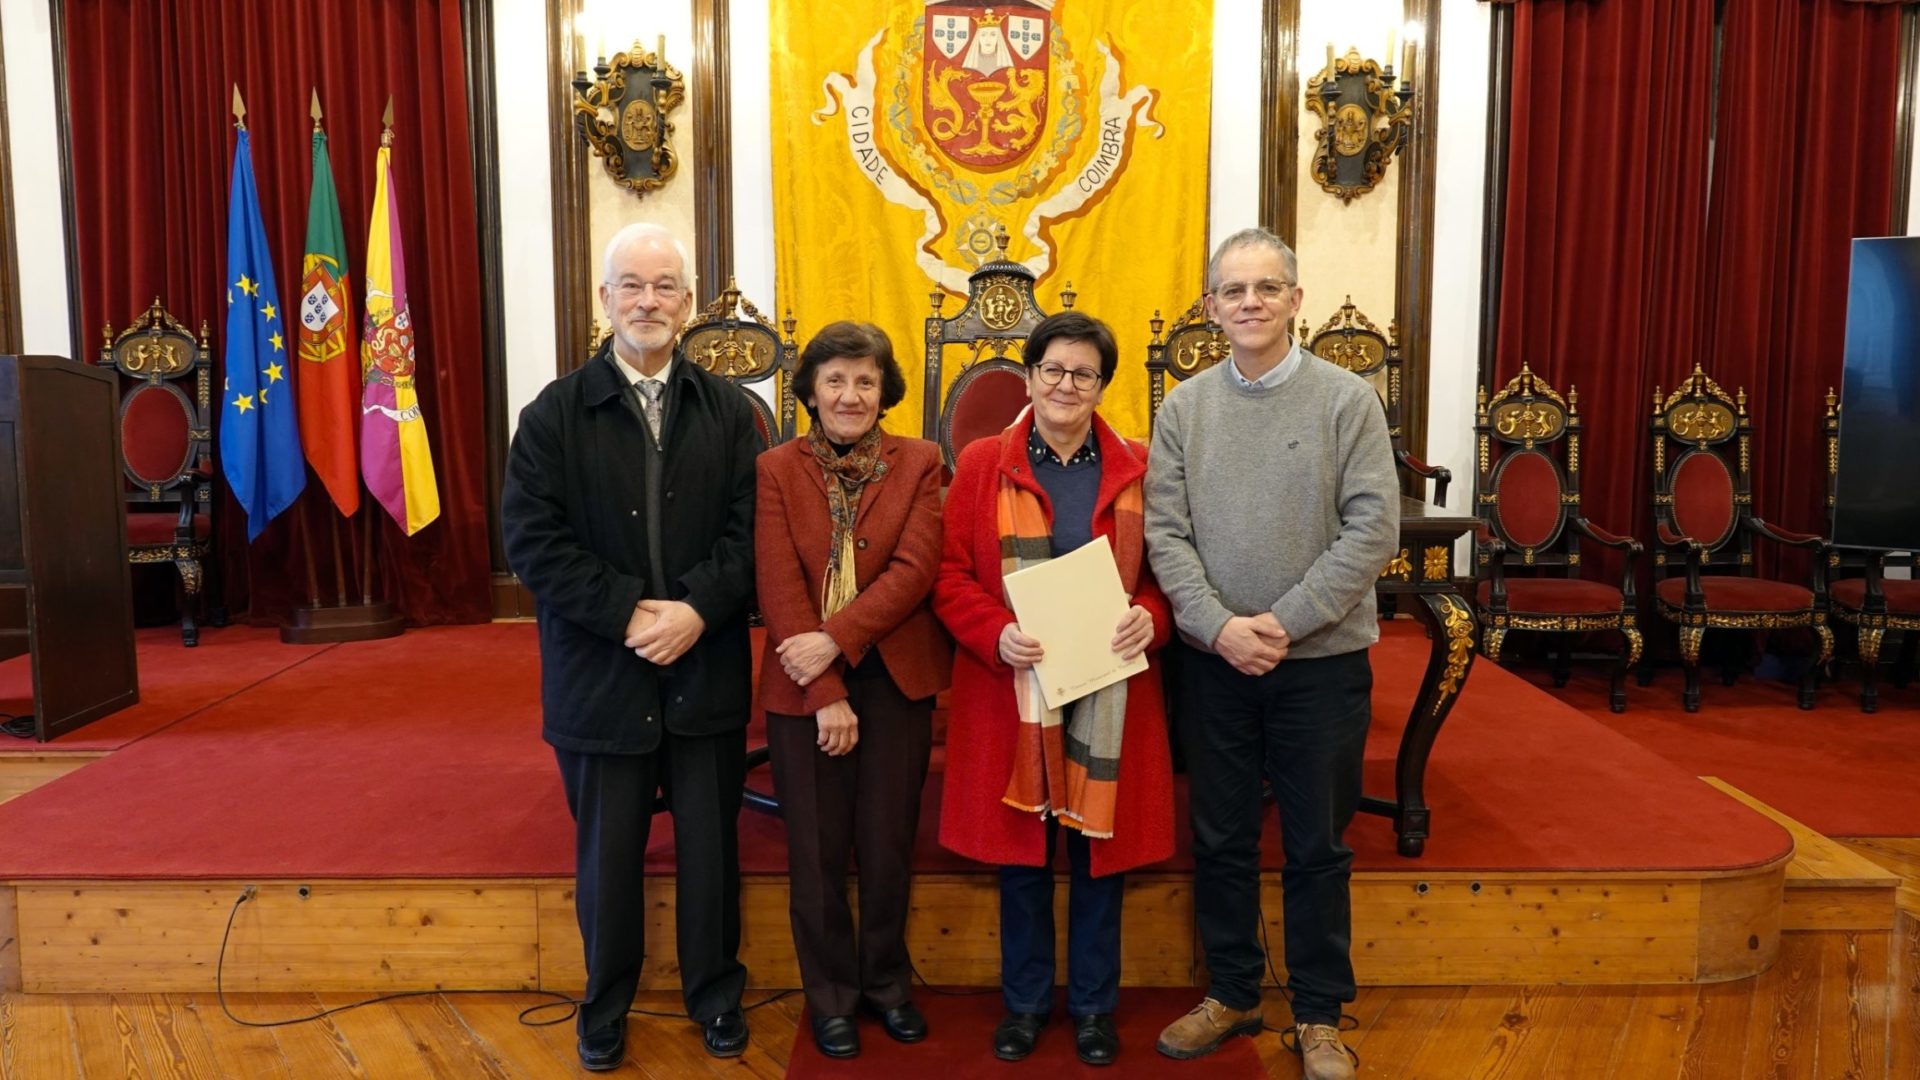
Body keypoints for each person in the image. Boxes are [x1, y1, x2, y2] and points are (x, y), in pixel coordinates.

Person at [501, 222, 761, 1071]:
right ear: (604, 299)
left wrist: (694, 611)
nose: (648, 301)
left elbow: (749, 535)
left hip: (706, 664)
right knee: (608, 859)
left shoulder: (730, 413)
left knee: (712, 853)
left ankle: (715, 994)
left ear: (687, 302)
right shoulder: (554, 414)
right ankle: (603, 1005)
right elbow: (533, 543)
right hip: (599, 676)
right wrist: (627, 614)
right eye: (631, 286)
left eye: (664, 287)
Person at [1144, 227, 1397, 1080]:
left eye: (1266, 287)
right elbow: (1164, 535)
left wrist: (1281, 624)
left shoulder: (1346, 401)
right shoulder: (1184, 409)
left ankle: (1321, 1012)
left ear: (1295, 299)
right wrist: (1218, 628)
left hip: (1320, 666)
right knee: (1220, 837)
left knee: (1317, 840)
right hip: (1214, 662)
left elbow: (1373, 531)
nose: (1249, 302)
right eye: (1232, 290)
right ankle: (1235, 990)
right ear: (1211, 308)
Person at [936, 311, 1175, 1067]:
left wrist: (1151, 619)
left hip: (1112, 691)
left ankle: (1096, 1009)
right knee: (1024, 854)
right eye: (1053, 370)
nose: (1066, 386)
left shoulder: (1137, 465)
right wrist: (992, 632)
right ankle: (1028, 1004)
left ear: (1102, 385)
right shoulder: (981, 463)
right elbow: (947, 576)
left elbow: (1167, 582)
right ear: (1030, 376)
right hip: (1012, 688)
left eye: (1083, 374)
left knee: (1097, 852)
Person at [754, 321, 952, 1059]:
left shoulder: (922, 461)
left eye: (865, 381)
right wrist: (826, 686)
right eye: (835, 379)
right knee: (817, 849)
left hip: (897, 678)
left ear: (884, 391)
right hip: (803, 685)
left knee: (887, 844)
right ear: (809, 389)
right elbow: (778, 582)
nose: (850, 394)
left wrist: (838, 638)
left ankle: (888, 986)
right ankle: (830, 996)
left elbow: (915, 570)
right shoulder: (775, 467)